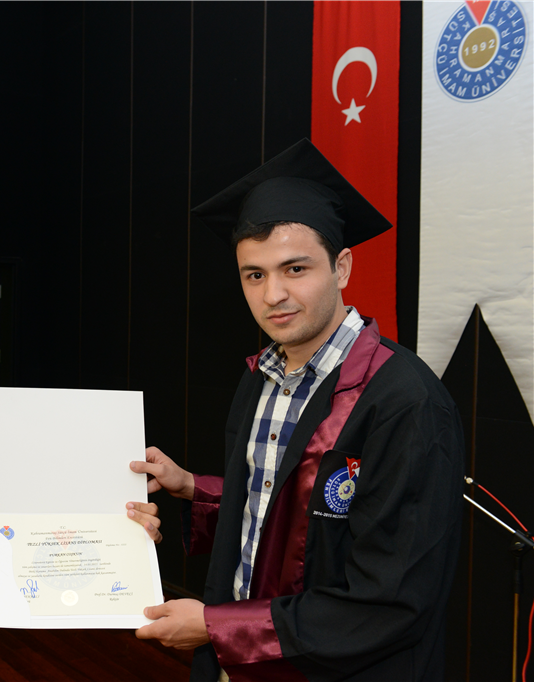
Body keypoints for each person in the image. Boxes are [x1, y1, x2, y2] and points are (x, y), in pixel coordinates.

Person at [131, 140, 465, 681]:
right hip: (242, 666)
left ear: (342, 267)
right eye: (255, 275)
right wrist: (192, 487)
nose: (273, 295)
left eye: (295, 268)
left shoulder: (406, 402)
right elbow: (282, 510)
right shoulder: (261, 377)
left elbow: (392, 601)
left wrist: (218, 627)